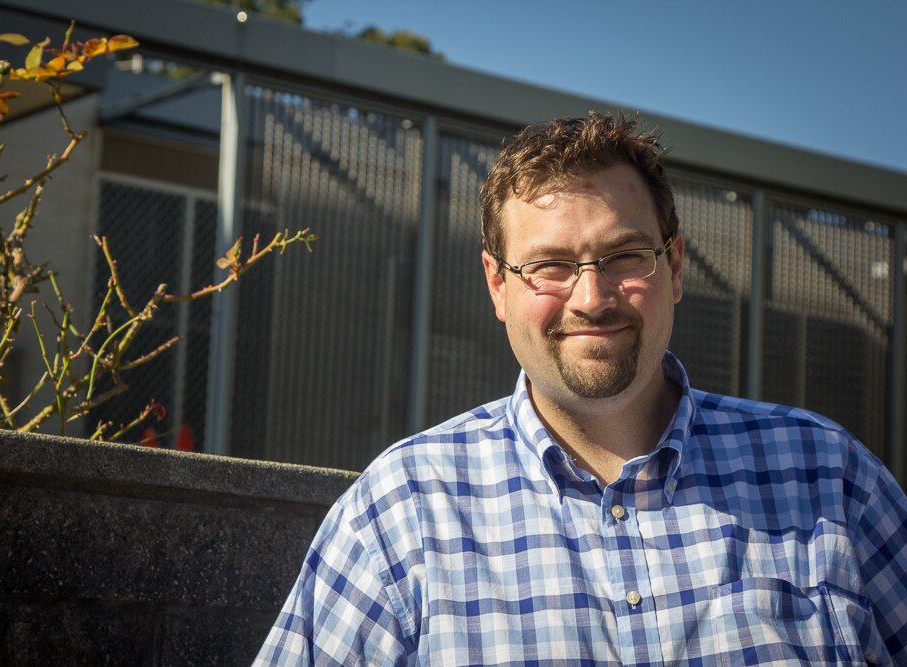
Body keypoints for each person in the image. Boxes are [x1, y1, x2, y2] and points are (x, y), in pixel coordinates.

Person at [255, 113, 907, 664]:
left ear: (674, 265)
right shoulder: (400, 515)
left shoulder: (831, 479)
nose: (591, 298)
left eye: (625, 255)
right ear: (497, 284)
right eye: (550, 265)